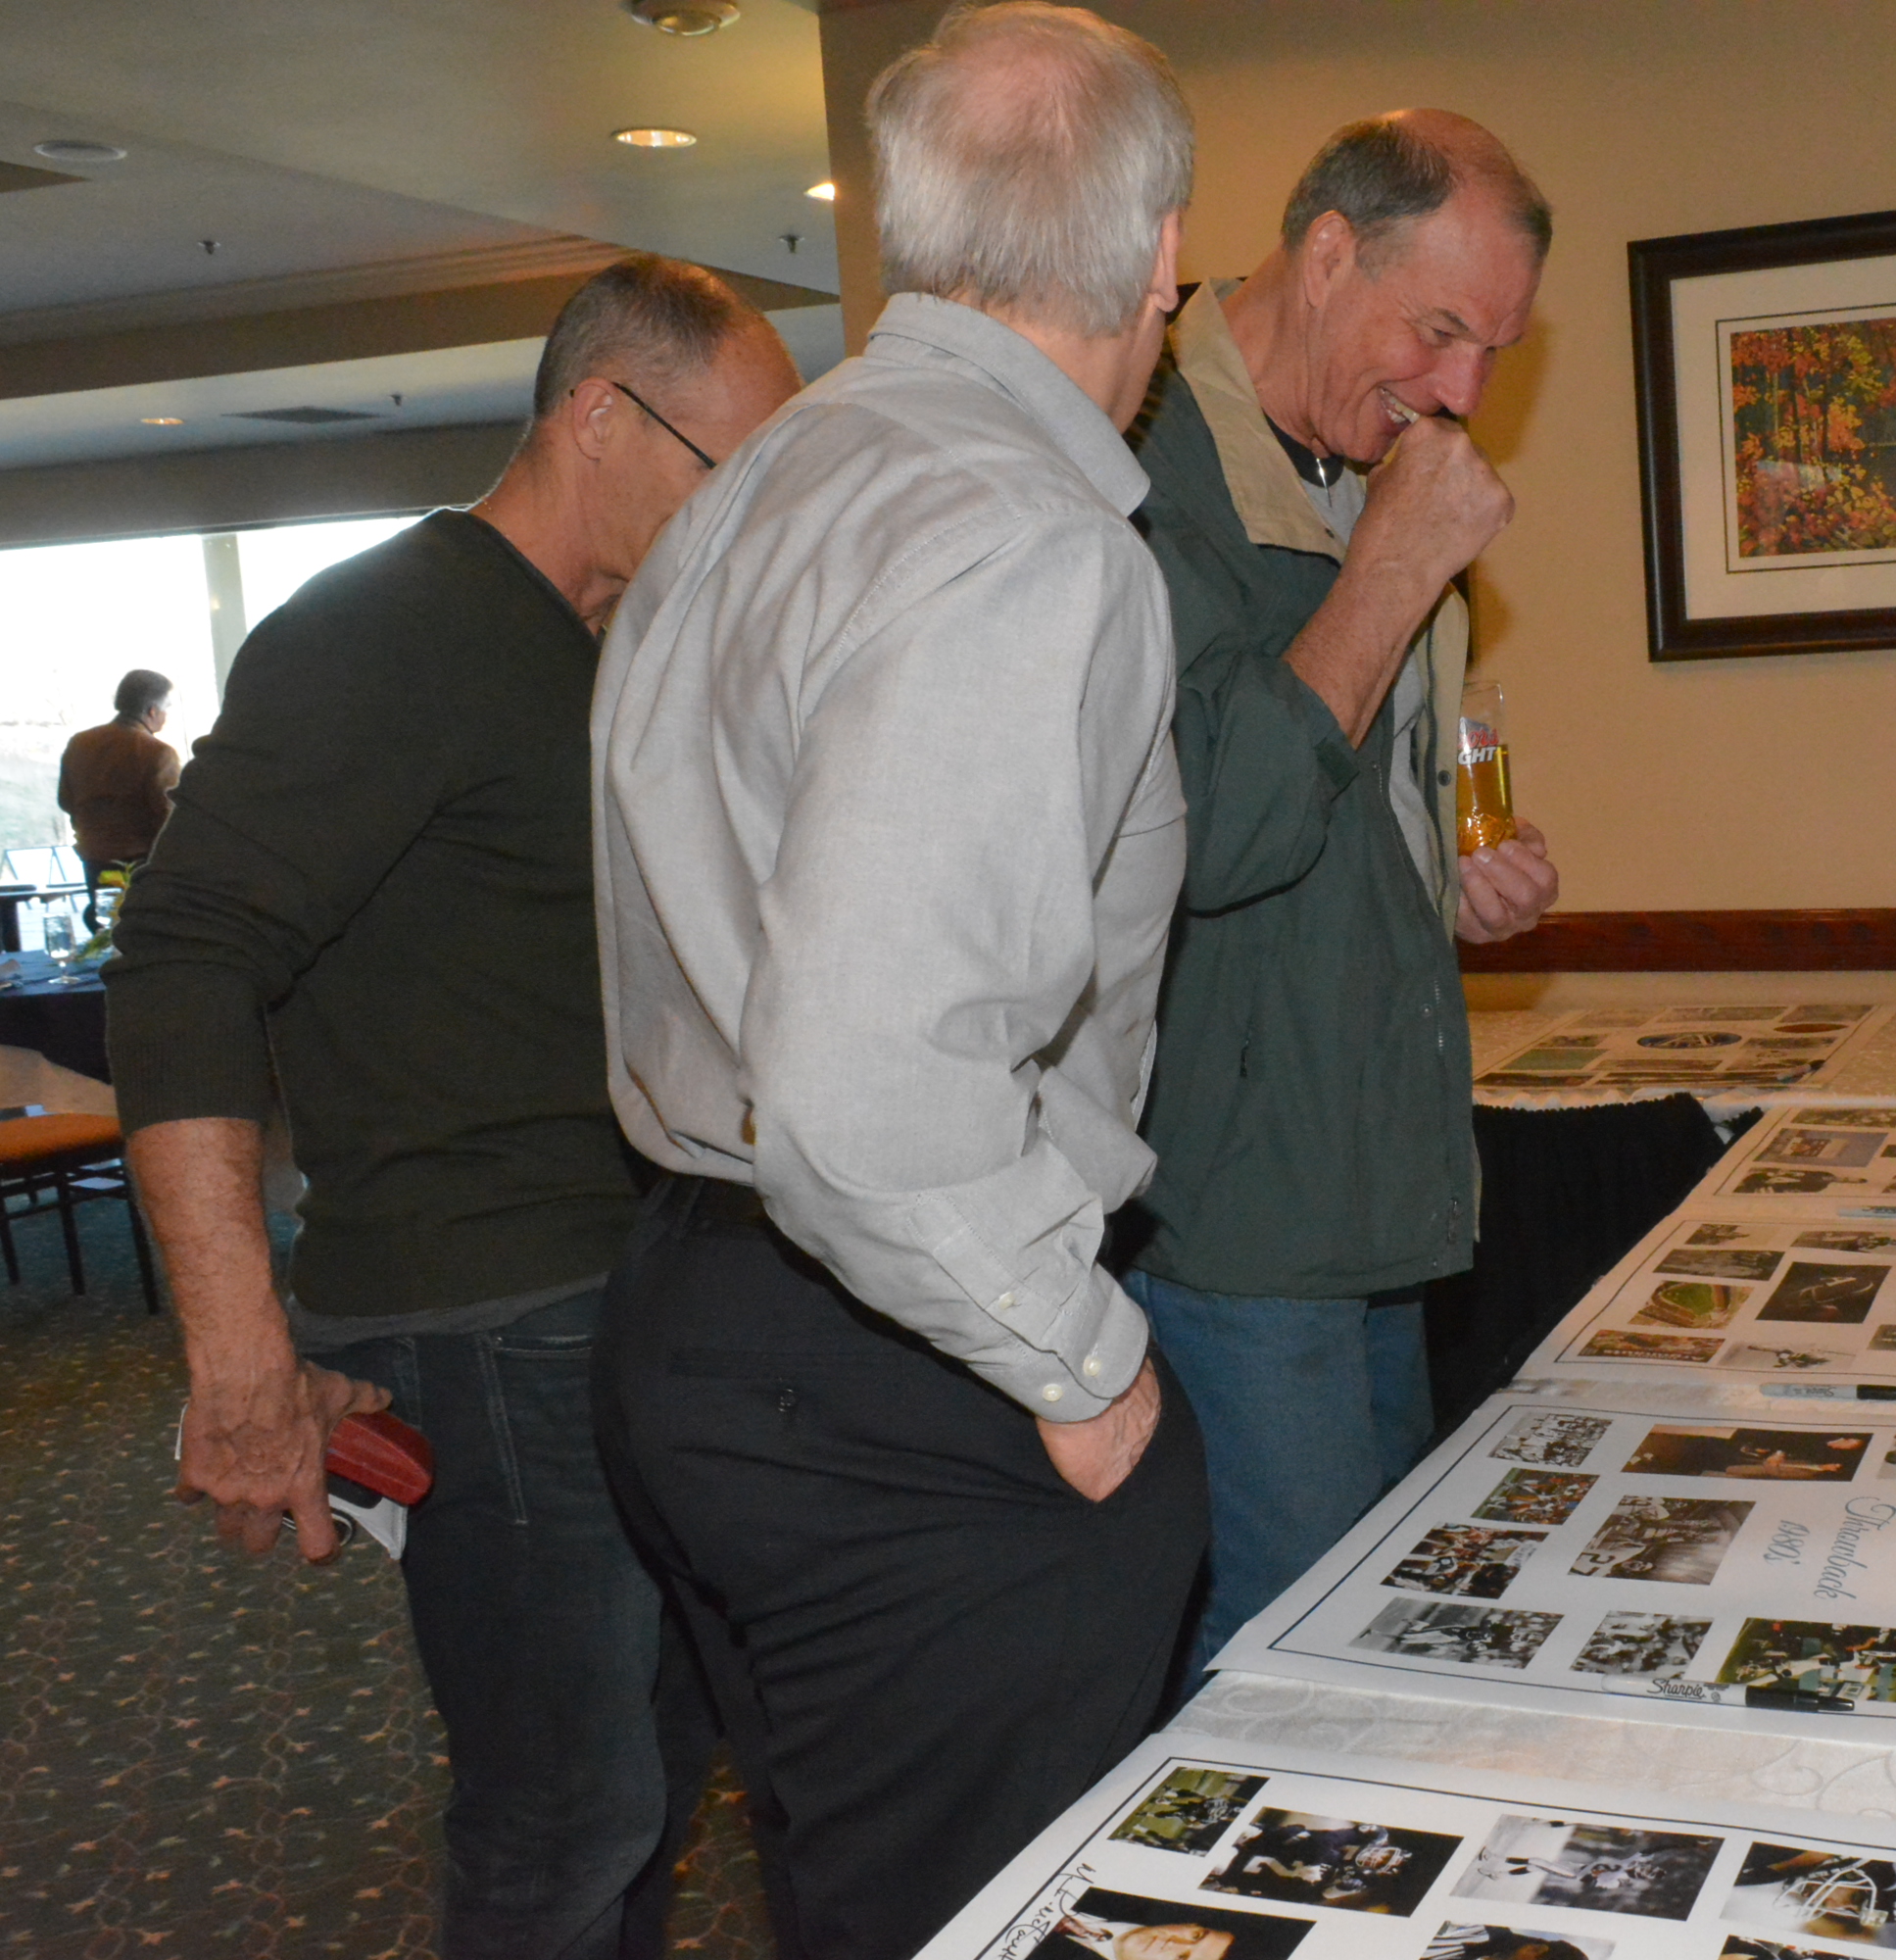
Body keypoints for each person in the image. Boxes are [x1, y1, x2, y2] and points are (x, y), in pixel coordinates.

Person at [588, 9, 1208, 1956]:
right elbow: (873, 1093)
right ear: (1162, 256)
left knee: (854, 1901)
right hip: (901, 1352)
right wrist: (1085, 1366)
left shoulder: (766, 476)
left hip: (699, 1312)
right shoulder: (1018, 534)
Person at [106, 256, 801, 1960]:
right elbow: (182, 962)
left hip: (611, 1288)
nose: (749, 515)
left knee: (652, 1772)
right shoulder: (387, 627)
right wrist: (239, 1358)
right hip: (485, 1320)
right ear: (597, 415)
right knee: (564, 1812)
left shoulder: (588, 644)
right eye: (730, 469)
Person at [1116, 110, 1558, 1668]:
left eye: (1496, 350)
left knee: (1370, 1639)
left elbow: (1354, 787)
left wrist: (1453, 869)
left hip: (1373, 1190)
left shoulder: (1359, 465)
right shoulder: (1143, 469)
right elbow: (1222, 831)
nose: (1464, 391)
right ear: (1322, 255)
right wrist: (1392, 568)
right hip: (1232, 1220)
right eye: (1440, 332)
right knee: (1286, 1668)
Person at [57, 667, 179, 922]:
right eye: (167, 708)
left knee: (106, 927)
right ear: (152, 711)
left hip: (93, 859)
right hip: (141, 865)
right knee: (144, 929)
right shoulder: (158, 753)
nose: (167, 716)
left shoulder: (80, 743)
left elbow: (65, 800)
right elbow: (169, 818)